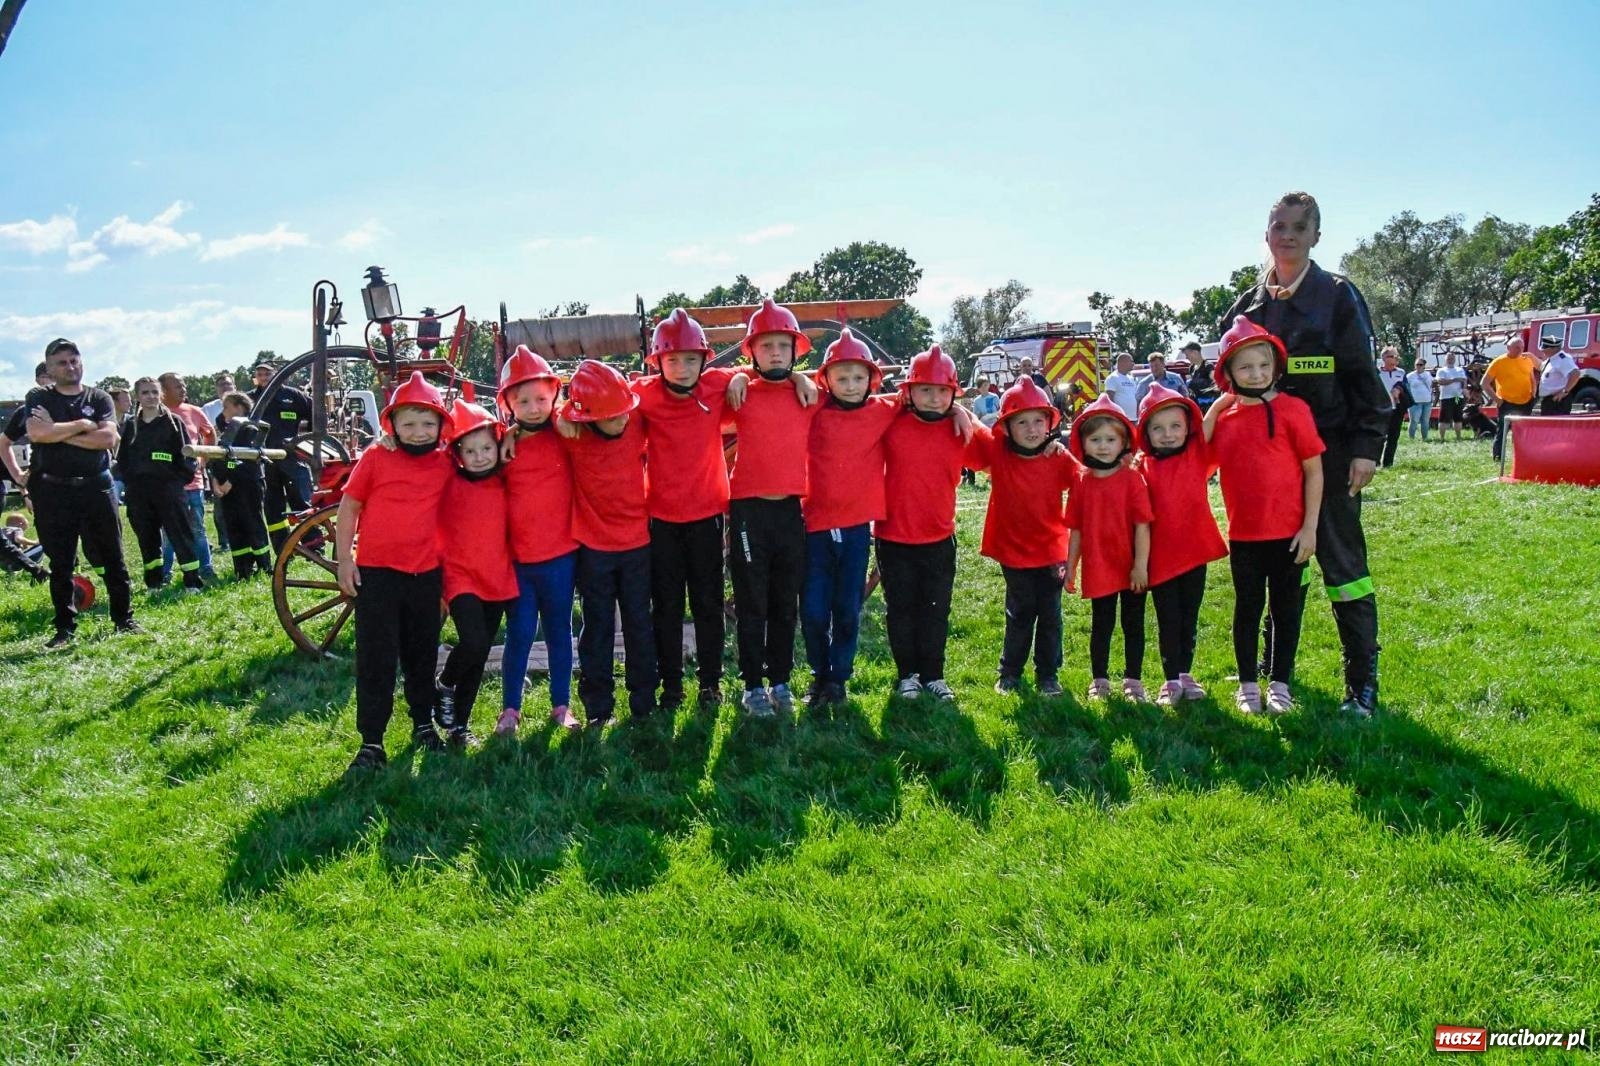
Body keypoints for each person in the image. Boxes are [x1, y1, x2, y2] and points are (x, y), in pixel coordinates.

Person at [1221, 190, 1391, 719]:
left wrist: (1366, 448)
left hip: (1333, 456)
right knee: (1280, 568)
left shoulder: (1338, 296)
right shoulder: (1247, 307)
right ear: (1266, 234)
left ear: (1316, 235)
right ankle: (1276, 674)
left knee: (1344, 569)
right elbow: (1226, 389)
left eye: (1299, 227)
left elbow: (1365, 380)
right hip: (1270, 470)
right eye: (1279, 226)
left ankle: (1361, 682)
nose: (1288, 235)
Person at [635, 308, 811, 711]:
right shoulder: (644, 393)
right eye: (672, 360)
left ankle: (710, 683)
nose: (682, 368)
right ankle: (672, 685)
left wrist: (794, 376)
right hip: (660, 517)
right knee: (666, 606)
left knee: (708, 603)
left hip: (708, 514)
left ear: (704, 360)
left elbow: (766, 377)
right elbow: (601, 403)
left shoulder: (717, 385)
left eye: (690, 359)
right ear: (658, 361)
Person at [1203, 318, 1324, 715]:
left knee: (1285, 610)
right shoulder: (1226, 419)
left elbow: (1313, 470)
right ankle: (1247, 685)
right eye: (1245, 367)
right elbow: (1200, 463)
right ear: (1228, 373)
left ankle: (1280, 683)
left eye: (1263, 365)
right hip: (1245, 537)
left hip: (1290, 534)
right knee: (1247, 608)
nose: (1255, 374)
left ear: (1275, 366)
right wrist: (1216, 409)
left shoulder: (1294, 410)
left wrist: (1310, 529)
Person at [336, 372, 455, 771]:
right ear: (392, 426)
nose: (418, 432)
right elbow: (349, 507)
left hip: (425, 574)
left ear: (441, 424)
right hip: (378, 574)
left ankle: (423, 723)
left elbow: (484, 446)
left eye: (427, 423)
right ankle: (372, 741)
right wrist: (345, 560)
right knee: (376, 657)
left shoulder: (447, 462)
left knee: (422, 653)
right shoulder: (376, 457)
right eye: (408, 424)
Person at [0, 339, 136, 647]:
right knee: (60, 562)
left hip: (96, 486)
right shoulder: (38, 396)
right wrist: (82, 425)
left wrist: (58, 434)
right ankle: (64, 628)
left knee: (114, 556)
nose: (70, 366)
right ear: (49, 368)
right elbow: (36, 433)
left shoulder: (99, 396)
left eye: (74, 360)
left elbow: (106, 439)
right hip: (52, 490)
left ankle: (124, 619)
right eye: (61, 362)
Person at [726, 299, 822, 720]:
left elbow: (856, 387)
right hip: (749, 512)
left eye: (784, 345)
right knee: (753, 602)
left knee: (786, 601)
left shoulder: (808, 392)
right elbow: (696, 381)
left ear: (796, 349)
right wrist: (736, 376)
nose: (776, 353)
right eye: (766, 346)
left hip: (789, 512)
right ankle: (752, 686)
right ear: (752, 352)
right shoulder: (741, 389)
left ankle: (780, 681)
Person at [878, 346, 987, 703]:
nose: (935, 398)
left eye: (943, 391)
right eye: (926, 389)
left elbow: (995, 452)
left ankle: (934, 674)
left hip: (939, 537)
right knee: (901, 608)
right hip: (893, 537)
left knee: (937, 609)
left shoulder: (959, 428)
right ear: (909, 391)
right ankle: (907, 674)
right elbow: (869, 406)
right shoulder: (891, 423)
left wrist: (966, 413)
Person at [558, 359, 658, 729]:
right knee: (597, 627)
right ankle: (599, 707)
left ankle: (644, 701)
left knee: (638, 623)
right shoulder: (573, 436)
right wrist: (557, 417)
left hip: (637, 543)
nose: (622, 420)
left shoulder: (636, 422)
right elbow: (525, 420)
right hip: (594, 548)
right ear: (586, 417)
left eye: (624, 412)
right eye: (612, 416)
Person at [969, 377, 1079, 697]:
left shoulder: (1056, 456)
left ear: (1049, 423)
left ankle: (1048, 674)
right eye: (1022, 422)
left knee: (1050, 614)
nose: (1032, 429)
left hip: (1050, 552)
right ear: (1006, 427)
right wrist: (956, 413)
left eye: (1038, 421)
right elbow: (970, 428)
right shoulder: (998, 451)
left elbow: (1084, 482)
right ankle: (1010, 672)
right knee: (1019, 610)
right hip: (1013, 550)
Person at [496, 346, 579, 736]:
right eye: (523, 401)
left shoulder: (566, 433)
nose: (533, 408)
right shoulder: (501, 445)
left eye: (541, 399)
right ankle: (510, 708)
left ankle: (561, 704)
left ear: (554, 397)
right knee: (520, 634)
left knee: (560, 632)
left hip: (561, 556)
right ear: (509, 403)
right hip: (520, 561)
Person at [1135, 382, 1227, 707]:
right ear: (1145, 432)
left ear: (1188, 426)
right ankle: (1170, 678)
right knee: (1168, 618)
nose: (1168, 434)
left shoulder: (1197, 453)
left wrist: (1225, 398)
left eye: (1176, 426)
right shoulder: (1141, 467)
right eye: (1158, 428)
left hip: (1194, 552)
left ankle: (1186, 673)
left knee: (1189, 615)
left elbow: (1214, 421)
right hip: (1160, 558)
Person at [431, 400, 517, 747]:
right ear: (458, 453)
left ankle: (458, 726)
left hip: (497, 575)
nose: (480, 456)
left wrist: (513, 430)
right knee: (474, 641)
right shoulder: (448, 479)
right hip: (461, 575)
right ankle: (445, 684)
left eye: (486, 448)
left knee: (480, 654)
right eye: (470, 450)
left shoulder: (506, 478)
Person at [1064, 395, 1153, 702]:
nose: (1103, 445)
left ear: (1124, 443)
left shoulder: (1132, 480)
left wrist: (1140, 565)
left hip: (1131, 567)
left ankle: (1133, 680)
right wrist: (1071, 566)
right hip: (1099, 566)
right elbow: (1075, 529)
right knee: (1101, 625)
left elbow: (1143, 526)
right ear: (1083, 443)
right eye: (1096, 439)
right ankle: (1099, 680)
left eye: (1111, 439)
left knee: (1133, 624)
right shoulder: (1081, 483)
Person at [118, 377, 205, 593]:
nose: (150, 397)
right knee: (147, 538)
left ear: (161, 395)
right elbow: (122, 459)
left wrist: (178, 481)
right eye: (145, 392)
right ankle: (154, 583)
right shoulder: (130, 425)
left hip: (169, 490)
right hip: (139, 492)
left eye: (154, 392)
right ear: (137, 396)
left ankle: (192, 581)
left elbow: (188, 456)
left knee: (180, 535)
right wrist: (131, 482)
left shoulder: (174, 422)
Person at [248, 361, 314, 554]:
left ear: (277, 374)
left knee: (302, 502)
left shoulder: (293, 396)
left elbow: (317, 415)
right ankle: (283, 549)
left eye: (267, 373)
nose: (263, 377)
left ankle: (314, 545)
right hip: (263, 461)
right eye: (260, 374)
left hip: (292, 458)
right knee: (272, 506)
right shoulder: (251, 399)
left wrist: (306, 439)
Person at [158, 372, 217, 583]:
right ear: (163, 391)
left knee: (198, 528)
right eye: (177, 386)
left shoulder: (194, 411)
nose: (183, 389)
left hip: (193, 482)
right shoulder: (156, 414)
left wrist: (204, 456)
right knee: (169, 532)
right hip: (167, 485)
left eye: (183, 386)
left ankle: (206, 568)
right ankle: (165, 572)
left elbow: (210, 434)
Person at [208, 391, 272, 578]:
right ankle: (242, 569)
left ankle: (263, 566)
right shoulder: (228, 431)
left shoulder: (251, 430)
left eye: (227, 407)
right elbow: (218, 458)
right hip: (227, 490)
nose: (224, 412)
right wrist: (215, 480)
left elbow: (250, 460)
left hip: (247, 486)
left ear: (239, 407)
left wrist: (230, 481)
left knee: (252, 524)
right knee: (234, 527)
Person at [1480, 334, 1537, 462]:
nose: (1520, 350)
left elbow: (1532, 379)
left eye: (1521, 347)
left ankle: (1523, 456)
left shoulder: (1527, 360)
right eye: (1516, 347)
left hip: (1526, 402)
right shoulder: (1499, 362)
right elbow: (1484, 383)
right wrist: (1497, 399)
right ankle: (1498, 457)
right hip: (1506, 402)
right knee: (1502, 431)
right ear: (1508, 347)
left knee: (1523, 431)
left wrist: (1533, 394)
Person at [201, 372, 235, 557]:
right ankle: (225, 540)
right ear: (216, 388)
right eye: (221, 384)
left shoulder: (242, 403)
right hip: (217, 459)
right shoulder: (208, 408)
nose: (225, 387)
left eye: (228, 384)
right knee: (220, 500)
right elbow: (205, 434)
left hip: (239, 459)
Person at [1377, 347, 1407, 467]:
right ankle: (1375, 462)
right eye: (1390, 356)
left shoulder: (1401, 372)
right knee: (1379, 437)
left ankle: (1388, 463)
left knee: (1393, 437)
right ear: (1383, 358)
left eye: (1395, 357)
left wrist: (1398, 389)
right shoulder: (1376, 372)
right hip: (1381, 410)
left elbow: (1406, 386)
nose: (1393, 359)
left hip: (1396, 409)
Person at [1537, 334, 1580, 416]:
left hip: (1557, 401)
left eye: (1544, 349)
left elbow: (1576, 373)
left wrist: (1564, 391)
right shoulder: (1552, 359)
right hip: (1549, 401)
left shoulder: (1563, 359)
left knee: (1555, 427)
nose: (1542, 351)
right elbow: (1541, 367)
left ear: (1553, 349)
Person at [1434, 353, 1468, 440]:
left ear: (1454, 359)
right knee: (1444, 418)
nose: (1450, 360)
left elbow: (1464, 380)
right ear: (1445, 360)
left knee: (1458, 417)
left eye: (1452, 358)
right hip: (1446, 397)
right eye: (1449, 358)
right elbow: (1441, 382)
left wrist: (1464, 388)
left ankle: (1458, 436)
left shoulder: (1459, 370)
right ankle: (1442, 437)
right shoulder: (1441, 371)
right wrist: (1455, 379)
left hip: (1457, 397)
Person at [1403, 358, 1434, 442]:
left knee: (1425, 421)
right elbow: (1406, 388)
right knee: (1414, 421)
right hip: (1415, 402)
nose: (1419, 366)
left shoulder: (1428, 374)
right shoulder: (1410, 376)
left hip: (1427, 401)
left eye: (1421, 365)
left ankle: (1425, 438)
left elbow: (1432, 385)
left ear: (1424, 366)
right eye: (1417, 364)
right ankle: (1411, 438)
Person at [1103, 352, 1140, 418]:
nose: (1133, 364)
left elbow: (1135, 397)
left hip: (1133, 418)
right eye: (1131, 361)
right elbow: (1110, 399)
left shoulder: (1131, 378)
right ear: (1123, 362)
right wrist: (1116, 415)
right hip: (1120, 419)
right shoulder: (1112, 378)